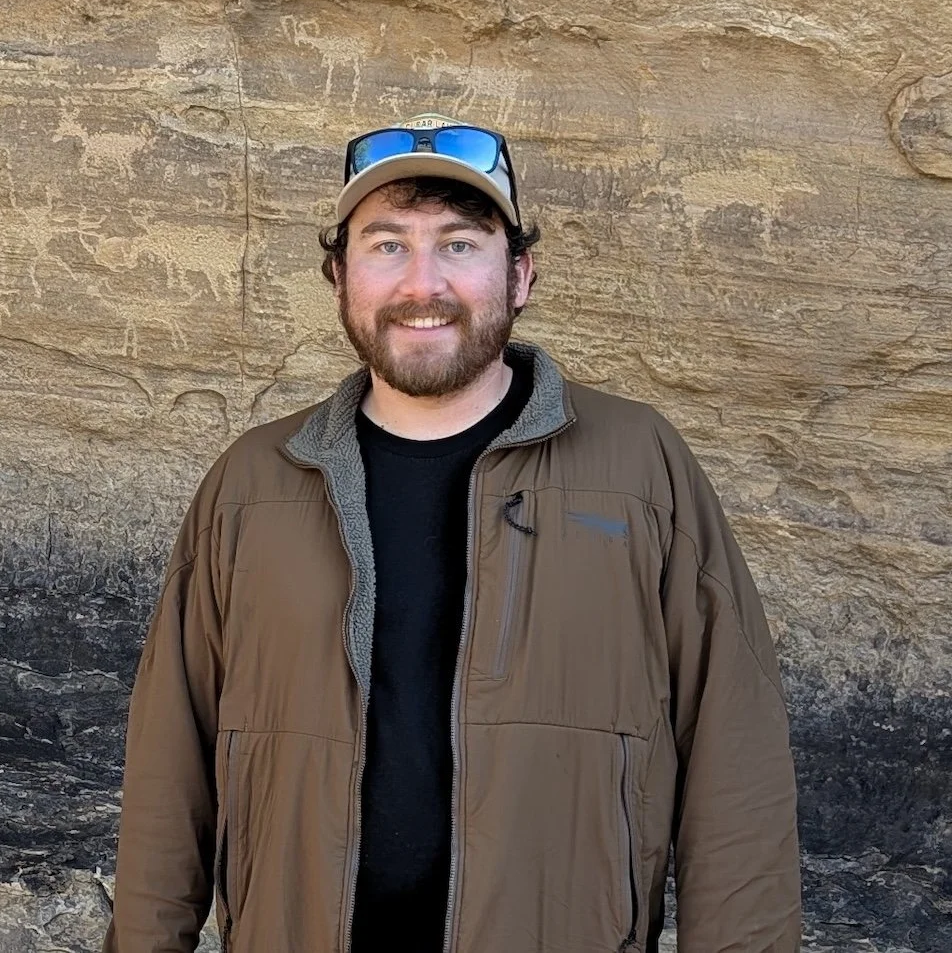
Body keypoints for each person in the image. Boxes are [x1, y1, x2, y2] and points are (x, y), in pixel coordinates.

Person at [104, 113, 801, 953]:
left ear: (522, 275)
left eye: (462, 244)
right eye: (387, 244)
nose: (421, 283)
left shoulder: (640, 469)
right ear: (338, 277)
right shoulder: (252, 486)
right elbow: (168, 768)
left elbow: (737, 756)